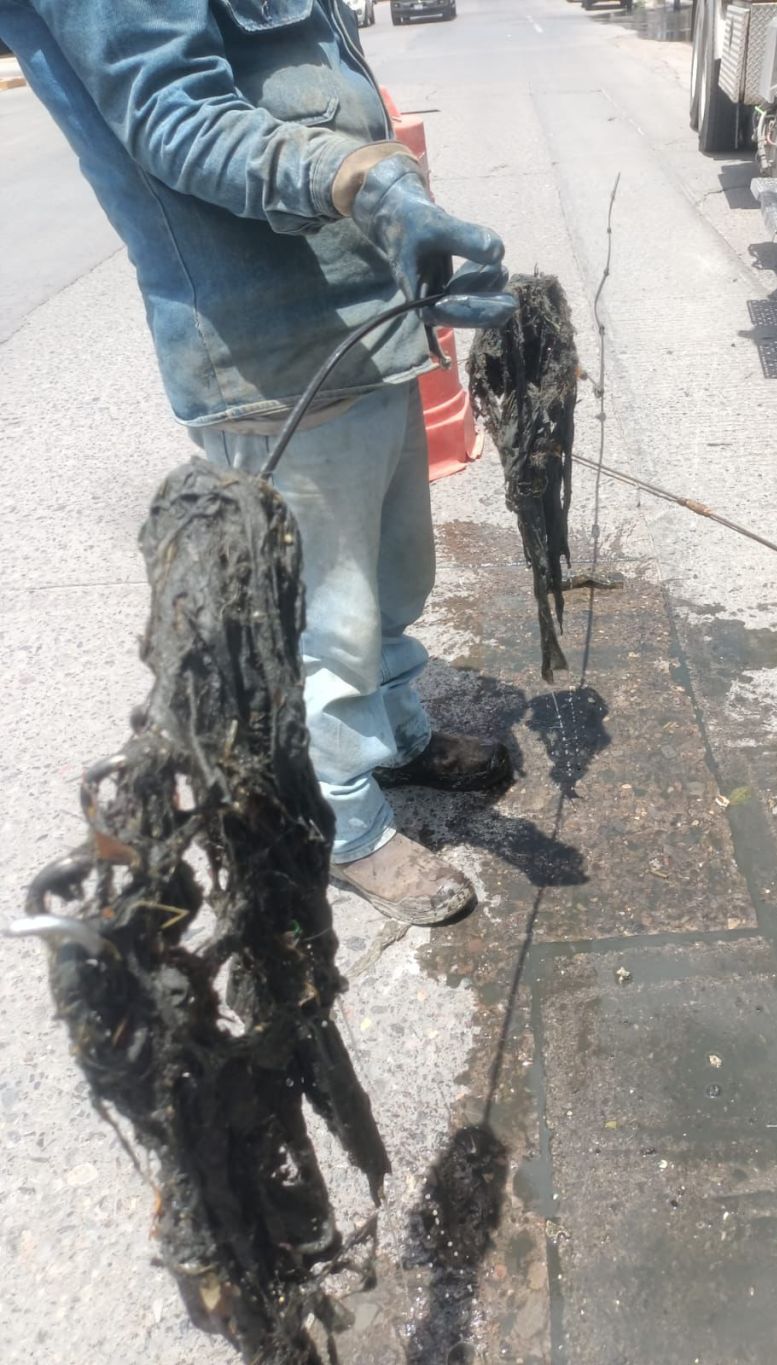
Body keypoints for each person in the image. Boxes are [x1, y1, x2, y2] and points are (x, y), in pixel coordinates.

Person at [0, 0, 517, 927]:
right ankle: (344, 823)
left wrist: (399, 221)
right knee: (327, 622)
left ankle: (396, 735)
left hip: (365, 316)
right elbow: (174, 118)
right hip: (271, 347)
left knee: (393, 578)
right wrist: (361, 177)